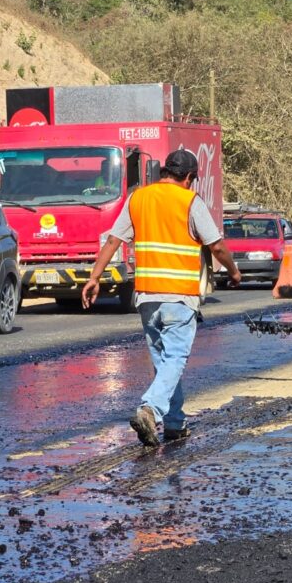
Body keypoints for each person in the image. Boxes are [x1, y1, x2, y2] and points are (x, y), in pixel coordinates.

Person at [82, 149, 241, 446]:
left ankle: (175, 423)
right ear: (189, 177)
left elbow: (114, 239)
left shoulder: (138, 198)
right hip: (179, 297)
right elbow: (217, 247)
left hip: (147, 298)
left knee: (165, 363)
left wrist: (94, 278)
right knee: (175, 359)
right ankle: (150, 410)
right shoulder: (190, 201)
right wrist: (233, 272)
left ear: (165, 171)